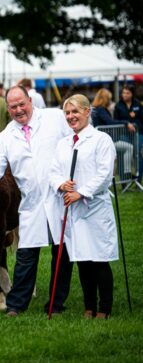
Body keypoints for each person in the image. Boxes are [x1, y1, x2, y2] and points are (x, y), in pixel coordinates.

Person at [0, 85, 73, 317]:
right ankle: (16, 305)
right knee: (25, 254)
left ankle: (56, 303)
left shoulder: (54, 118)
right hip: (32, 202)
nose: (18, 110)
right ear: (8, 108)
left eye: (22, 104)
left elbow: (78, 141)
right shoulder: (6, 136)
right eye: (13, 106)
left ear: (30, 101)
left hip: (60, 196)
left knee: (62, 253)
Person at [49, 94, 118, 319]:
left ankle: (104, 309)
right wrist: (61, 184)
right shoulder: (63, 143)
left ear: (88, 112)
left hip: (95, 208)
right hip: (73, 211)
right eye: (67, 113)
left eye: (75, 112)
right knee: (82, 261)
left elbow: (104, 174)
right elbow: (53, 172)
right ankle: (89, 306)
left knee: (99, 260)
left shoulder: (101, 140)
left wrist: (81, 192)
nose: (71, 117)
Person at [91, 88, 136, 179]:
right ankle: (126, 172)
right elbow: (110, 122)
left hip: (103, 140)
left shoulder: (96, 109)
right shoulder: (101, 109)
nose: (110, 101)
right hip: (105, 141)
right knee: (129, 147)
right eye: (109, 99)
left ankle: (121, 176)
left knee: (118, 154)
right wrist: (126, 123)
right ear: (105, 99)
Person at [114, 85, 143, 182]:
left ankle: (138, 179)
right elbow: (115, 121)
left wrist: (134, 121)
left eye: (127, 93)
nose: (125, 95)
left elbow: (141, 119)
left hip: (137, 133)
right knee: (123, 155)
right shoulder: (118, 105)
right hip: (123, 134)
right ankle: (124, 181)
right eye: (123, 93)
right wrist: (127, 123)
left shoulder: (137, 104)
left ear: (132, 94)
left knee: (138, 155)